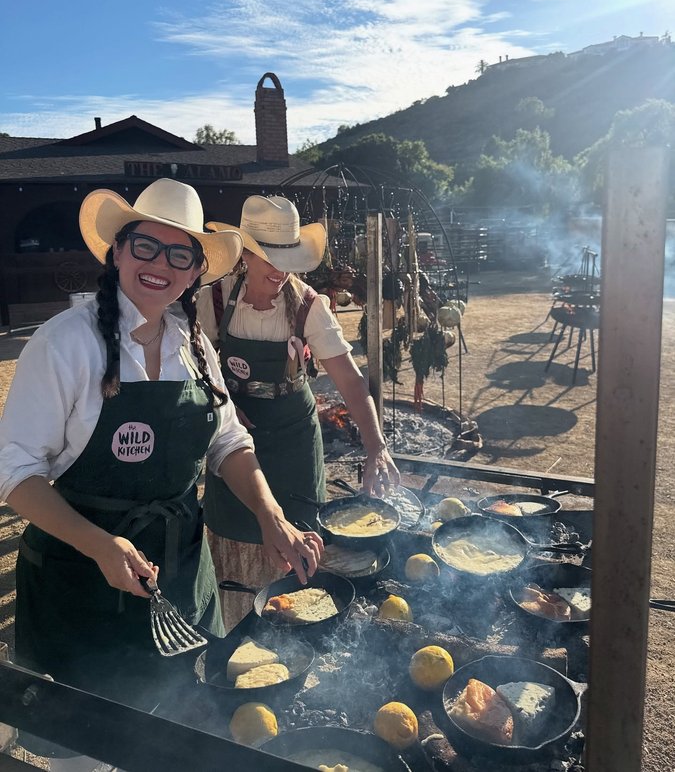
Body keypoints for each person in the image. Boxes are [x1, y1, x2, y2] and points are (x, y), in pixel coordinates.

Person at [0, 179, 322, 767]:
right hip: (82, 583)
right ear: (117, 250)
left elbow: (228, 439)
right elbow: (16, 474)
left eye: (181, 254)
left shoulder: (191, 342)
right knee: (90, 750)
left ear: (197, 270)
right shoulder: (64, 345)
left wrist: (273, 519)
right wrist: (100, 544)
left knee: (170, 726)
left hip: (176, 572)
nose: (160, 265)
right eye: (145, 246)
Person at [197, 194, 400, 630]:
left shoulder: (309, 305)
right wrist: (225, 401)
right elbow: (197, 366)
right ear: (244, 253)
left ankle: (299, 631)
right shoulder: (211, 301)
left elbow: (349, 382)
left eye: (287, 256)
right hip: (234, 443)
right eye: (268, 257)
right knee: (235, 534)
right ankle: (236, 628)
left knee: (299, 536)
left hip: (292, 441)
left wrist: (376, 447)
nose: (279, 269)